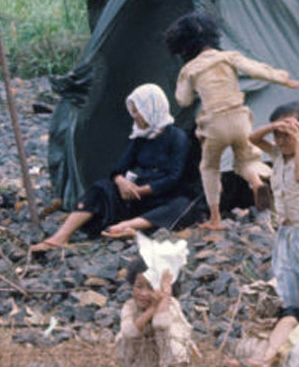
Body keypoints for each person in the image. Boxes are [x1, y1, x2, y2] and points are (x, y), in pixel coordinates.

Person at [165, 11, 299, 230]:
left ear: (184, 45)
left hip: (214, 124)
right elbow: (258, 70)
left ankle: (215, 219)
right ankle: (257, 182)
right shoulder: (229, 56)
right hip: (240, 118)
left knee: (210, 167)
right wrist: (285, 80)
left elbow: (183, 100)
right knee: (247, 159)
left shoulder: (190, 69)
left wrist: (186, 83)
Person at [30, 84, 197, 251]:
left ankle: (126, 226)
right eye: (134, 112)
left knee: (182, 206)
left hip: (161, 196)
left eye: (138, 111)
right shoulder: (140, 137)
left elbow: (174, 177)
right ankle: (61, 237)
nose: (135, 116)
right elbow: (119, 168)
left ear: (151, 109)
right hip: (133, 196)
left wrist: (142, 191)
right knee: (101, 188)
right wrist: (121, 182)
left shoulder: (177, 138)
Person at [236, 102, 299, 367]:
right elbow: (251, 139)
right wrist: (274, 127)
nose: (280, 140)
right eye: (278, 135)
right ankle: (279, 348)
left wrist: (298, 141)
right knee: (288, 286)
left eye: (287, 134)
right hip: (286, 230)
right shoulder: (278, 154)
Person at [114, 260, 197, 367]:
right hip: (145, 360)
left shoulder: (170, 304)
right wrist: (152, 309)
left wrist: (164, 298)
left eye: (152, 288)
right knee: (122, 337)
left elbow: (161, 324)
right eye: (139, 286)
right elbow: (129, 332)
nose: (144, 294)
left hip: (169, 359)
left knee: (173, 330)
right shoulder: (130, 306)